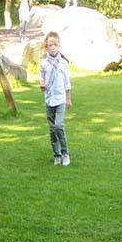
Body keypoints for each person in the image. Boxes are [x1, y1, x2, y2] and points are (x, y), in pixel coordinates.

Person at [39, 31, 72, 165]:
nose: (52, 47)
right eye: (50, 45)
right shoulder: (43, 63)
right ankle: (56, 155)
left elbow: (67, 82)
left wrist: (68, 98)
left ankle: (65, 153)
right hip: (49, 99)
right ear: (46, 47)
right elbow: (42, 77)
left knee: (59, 126)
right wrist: (42, 84)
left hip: (60, 99)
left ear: (59, 46)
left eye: (55, 45)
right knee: (52, 130)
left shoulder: (63, 63)